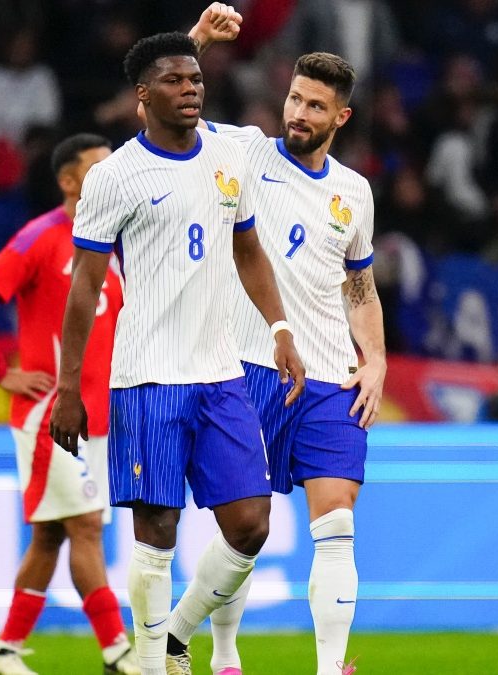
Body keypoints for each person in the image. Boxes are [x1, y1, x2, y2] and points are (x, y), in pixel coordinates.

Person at [48, 32, 305, 675]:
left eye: (195, 79)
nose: (191, 88)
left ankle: (169, 639)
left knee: (250, 524)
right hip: (148, 378)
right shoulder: (114, 177)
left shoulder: (227, 152)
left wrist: (279, 329)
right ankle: (151, 658)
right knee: (156, 535)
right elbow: (84, 285)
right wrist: (70, 387)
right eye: (174, 80)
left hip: (221, 374)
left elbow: (248, 247)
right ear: (143, 97)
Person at [190, 8, 384, 674]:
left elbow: (359, 286)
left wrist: (376, 358)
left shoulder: (354, 193)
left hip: (330, 375)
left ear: (341, 118)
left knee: (336, 521)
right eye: (296, 98)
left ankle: (330, 668)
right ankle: (213, 647)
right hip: (251, 365)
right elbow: (168, 120)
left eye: (315, 105)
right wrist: (196, 44)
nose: (299, 112)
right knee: (245, 529)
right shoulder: (245, 151)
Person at [0, 134, 138, 675]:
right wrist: (1, 372)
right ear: (68, 181)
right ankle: (118, 651)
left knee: (52, 534)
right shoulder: (41, 237)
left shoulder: (111, 244)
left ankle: (7, 654)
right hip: (53, 416)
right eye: (98, 170)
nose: (112, 179)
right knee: (85, 526)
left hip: (101, 417)